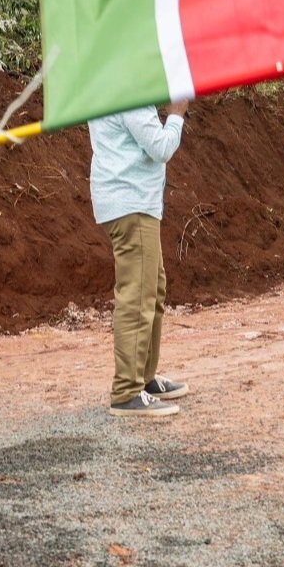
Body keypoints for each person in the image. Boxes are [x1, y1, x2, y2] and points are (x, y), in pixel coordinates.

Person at [90, 100, 191, 419]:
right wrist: (176, 114)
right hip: (131, 203)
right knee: (138, 296)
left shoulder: (113, 83)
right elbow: (160, 147)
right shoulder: (127, 90)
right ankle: (126, 391)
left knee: (152, 289)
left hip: (133, 202)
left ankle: (143, 380)